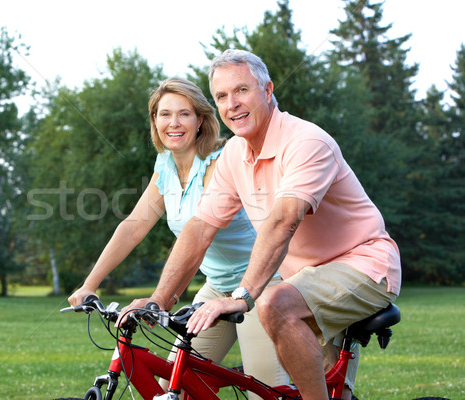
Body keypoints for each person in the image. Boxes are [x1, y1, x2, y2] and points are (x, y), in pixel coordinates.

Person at [118, 50, 402, 400]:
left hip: (363, 266)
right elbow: (201, 227)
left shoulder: (305, 142)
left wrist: (242, 295)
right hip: (305, 279)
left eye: (242, 91)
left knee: (272, 304)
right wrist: (160, 299)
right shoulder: (234, 154)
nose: (232, 104)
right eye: (222, 96)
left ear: (267, 90)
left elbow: (284, 220)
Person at [68, 77, 288, 391]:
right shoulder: (165, 167)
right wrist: (90, 283)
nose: (174, 123)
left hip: (262, 285)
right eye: (164, 114)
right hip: (217, 286)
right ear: (154, 121)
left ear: (201, 120)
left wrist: (162, 299)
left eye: (184, 113)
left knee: (264, 390)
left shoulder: (219, 164)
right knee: (176, 382)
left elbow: (200, 236)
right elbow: (134, 227)